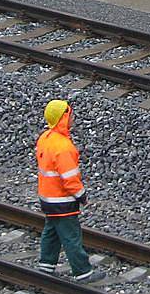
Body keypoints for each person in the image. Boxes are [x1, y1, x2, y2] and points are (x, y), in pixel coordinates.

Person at [35, 100, 104, 283]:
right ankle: (83, 272)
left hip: (47, 198)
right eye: (70, 115)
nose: (72, 118)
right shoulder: (63, 147)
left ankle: (46, 265)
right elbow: (69, 178)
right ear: (63, 118)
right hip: (62, 201)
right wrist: (81, 195)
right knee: (71, 236)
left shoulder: (45, 138)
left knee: (51, 231)